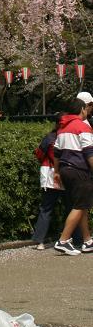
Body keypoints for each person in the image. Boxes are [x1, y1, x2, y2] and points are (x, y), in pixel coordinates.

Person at [53, 99, 93, 255]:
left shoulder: (63, 129)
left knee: (80, 204)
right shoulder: (83, 127)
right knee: (80, 205)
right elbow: (89, 152)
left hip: (65, 170)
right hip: (79, 170)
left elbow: (56, 152)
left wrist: (56, 172)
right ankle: (63, 240)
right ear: (82, 109)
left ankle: (87, 240)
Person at [31, 113, 66, 249]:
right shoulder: (67, 137)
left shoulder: (49, 137)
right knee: (70, 207)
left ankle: (40, 240)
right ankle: (71, 237)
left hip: (49, 174)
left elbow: (39, 154)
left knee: (46, 208)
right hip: (64, 174)